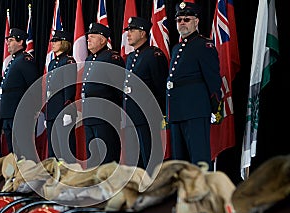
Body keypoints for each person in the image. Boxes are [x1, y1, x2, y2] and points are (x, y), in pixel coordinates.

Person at [166, 2, 221, 170]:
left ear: (196, 21)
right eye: (179, 19)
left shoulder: (204, 45)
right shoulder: (176, 48)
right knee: (180, 163)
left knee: (199, 159)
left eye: (186, 19)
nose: (182, 22)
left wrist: (214, 105)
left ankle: (204, 194)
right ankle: (185, 195)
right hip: (176, 112)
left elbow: (212, 79)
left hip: (195, 110)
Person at [123, 16, 168, 170]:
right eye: (128, 30)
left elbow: (161, 87)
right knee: (135, 160)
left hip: (147, 116)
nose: (128, 34)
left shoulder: (154, 55)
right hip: (131, 116)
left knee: (150, 158)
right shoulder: (130, 57)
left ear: (143, 33)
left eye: (132, 30)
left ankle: (153, 191)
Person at [81, 23, 125, 167]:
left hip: (106, 115)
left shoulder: (111, 58)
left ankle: (110, 187)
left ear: (103, 40)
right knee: (93, 155)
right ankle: (95, 186)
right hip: (90, 115)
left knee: (107, 155)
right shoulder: (89, 59)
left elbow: (119, 88)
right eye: (88, 37)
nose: (88, 40)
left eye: (92, 37)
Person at [0, 28, 39, 153]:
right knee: (13, 150)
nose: (8, 44)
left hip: (20, 112)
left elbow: (33, 86)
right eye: (7, 40)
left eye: (11, 40)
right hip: (9, 113)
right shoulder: (14, 61)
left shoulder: (25, 60)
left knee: (24, 149)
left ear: (20, 41)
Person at [45, 30, 77, 162]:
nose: (52, 43)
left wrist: (67, 110)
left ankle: (69, 176)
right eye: (52, 40)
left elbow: (69, 87)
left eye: (56, 41)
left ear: (64, 43)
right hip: (52, 110)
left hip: (63, 110)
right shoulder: (52, 63)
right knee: (54, 147)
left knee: (65, 147)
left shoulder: (68, 61)